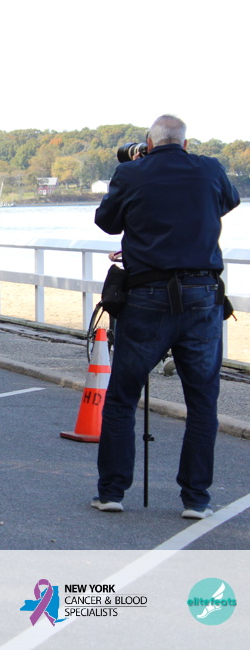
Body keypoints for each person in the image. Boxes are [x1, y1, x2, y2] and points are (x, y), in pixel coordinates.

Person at [92, 114, 240, 520]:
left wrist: (138, 173)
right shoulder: (209, 169)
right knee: (203, 401)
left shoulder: (131, 172)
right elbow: (228, 201)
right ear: (186, 143)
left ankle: (111, 492)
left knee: (123, 397)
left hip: (147, 295)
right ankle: (196, 499)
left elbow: (106, 222)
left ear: (149, 143)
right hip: (203, 295)